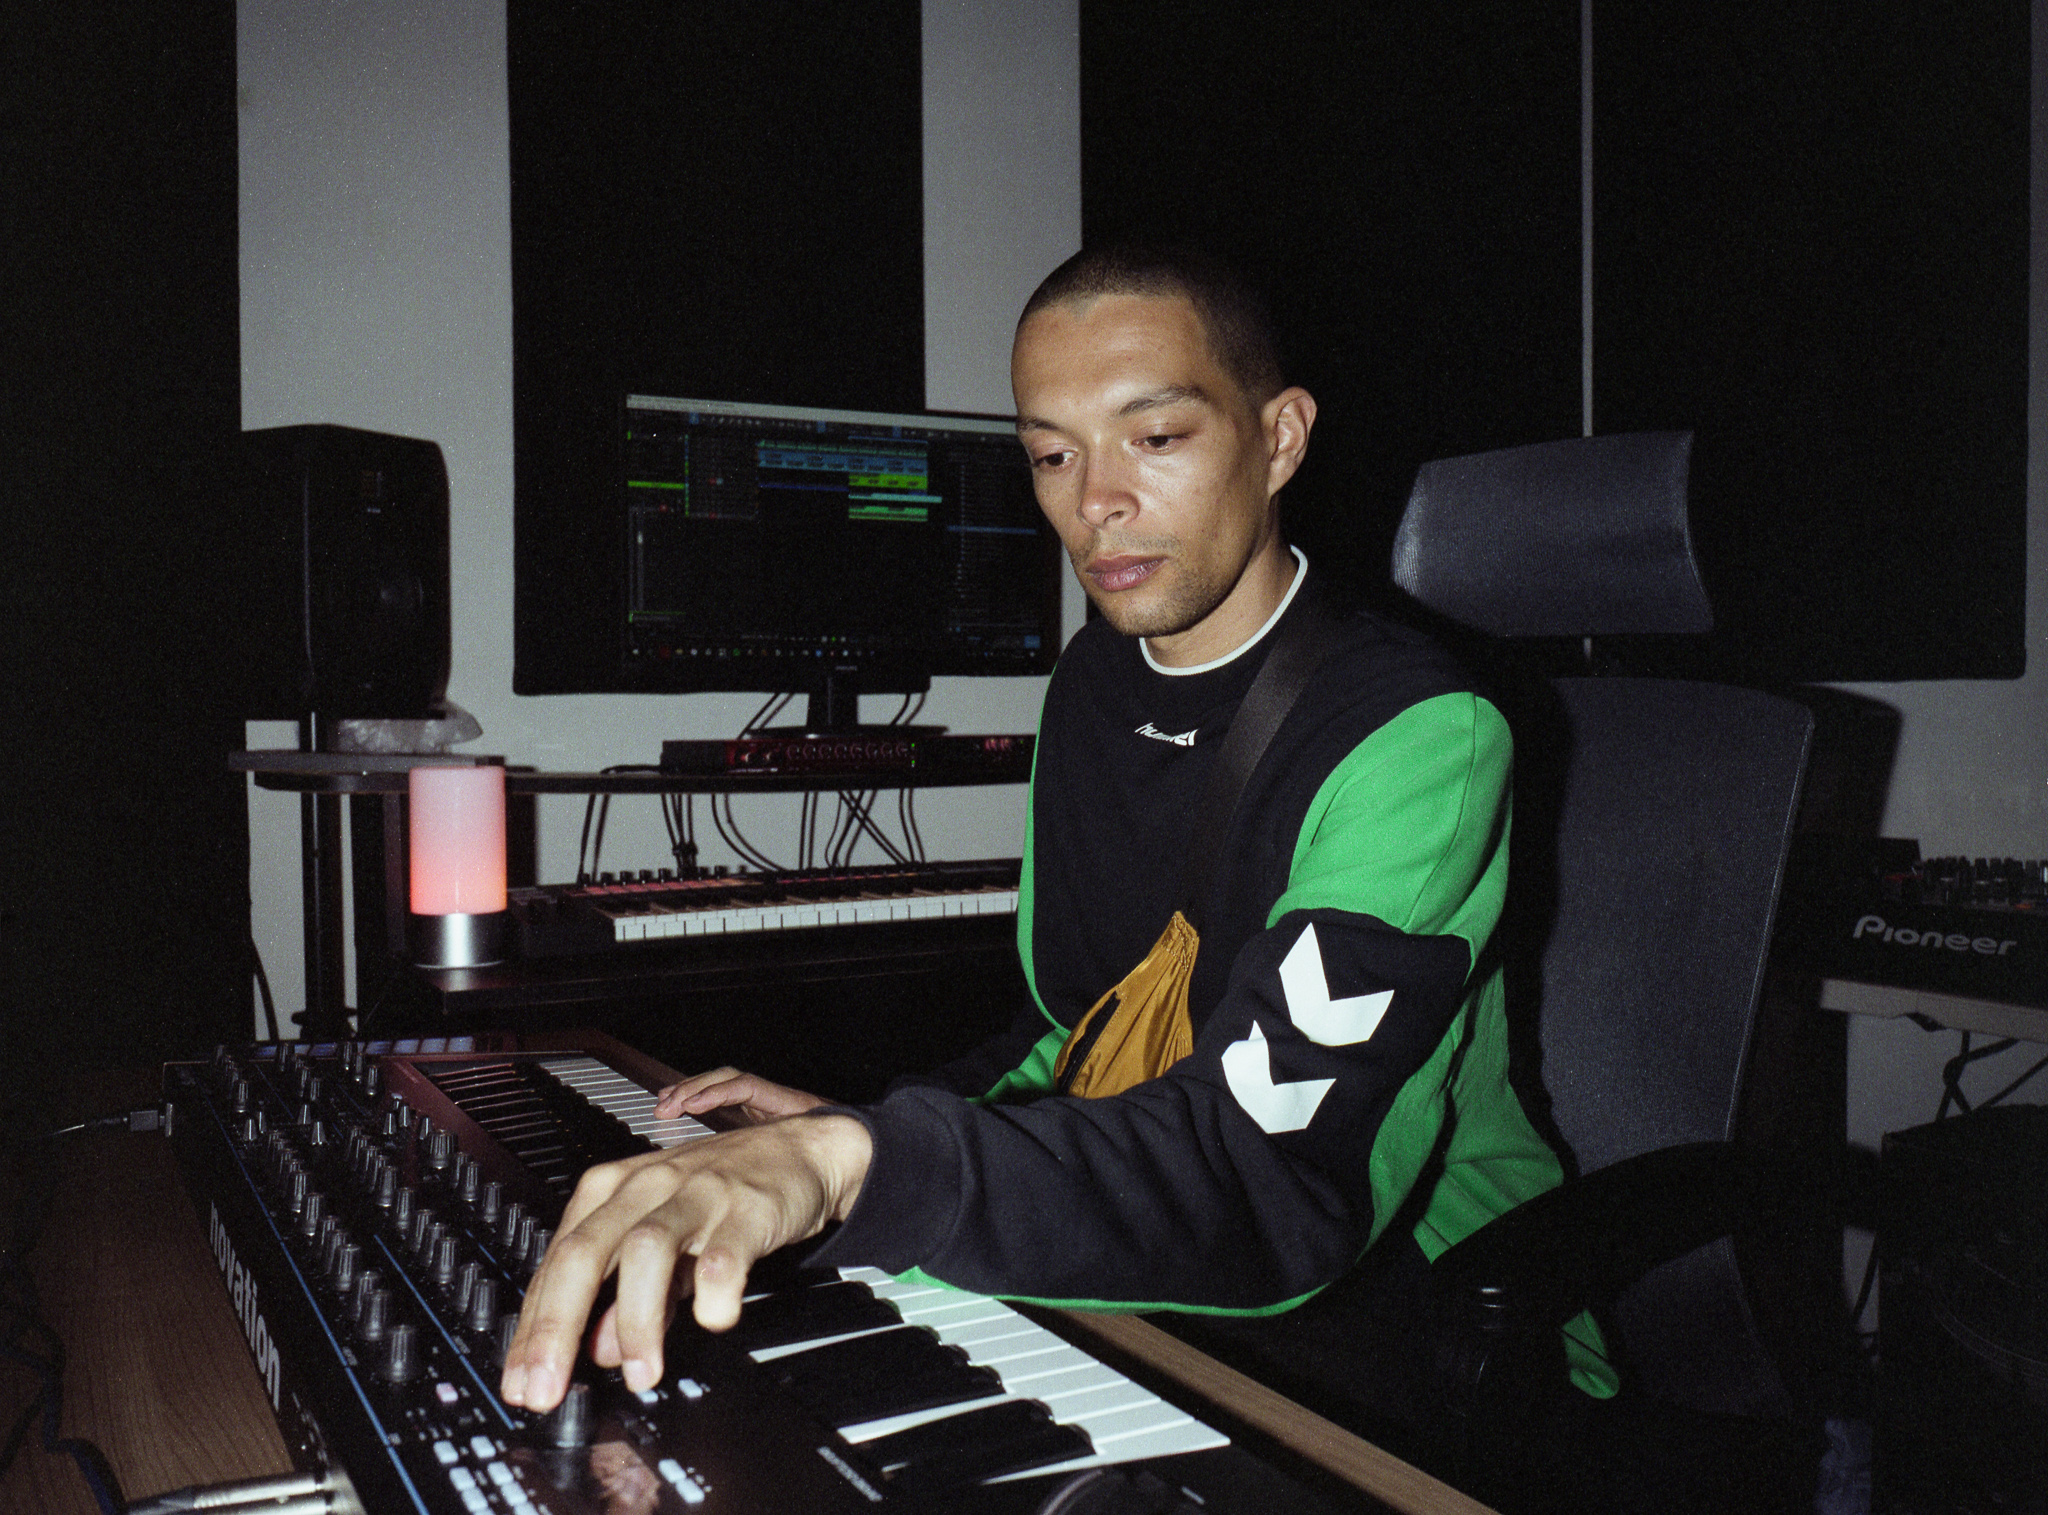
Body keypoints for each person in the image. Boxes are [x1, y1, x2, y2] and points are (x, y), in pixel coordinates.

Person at [499, 245, 1608, 1457]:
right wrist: (867, 1125)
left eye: (1156, 437)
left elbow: (1270, 1178)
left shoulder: (1418, 735)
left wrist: (865, 1166)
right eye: (1050, 455)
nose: (1095, 503)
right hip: (1169, 1233)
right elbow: (1079, 1030)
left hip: (1417, 1301)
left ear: (1279, 438)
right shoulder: (1093, 682)